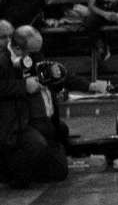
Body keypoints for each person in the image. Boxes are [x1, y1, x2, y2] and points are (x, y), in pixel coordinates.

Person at [0, 26, 69, 188]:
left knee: (59, 172)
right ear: (18, 49)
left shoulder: (33, 57)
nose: (36, 57)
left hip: (34, 116)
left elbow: (49, 75)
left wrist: (56, 78)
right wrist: (23, 86)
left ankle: (31, 169)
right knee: (36, 144)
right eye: (32, 53)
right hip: (12, 120)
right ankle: (12, 177)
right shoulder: (2, 61)